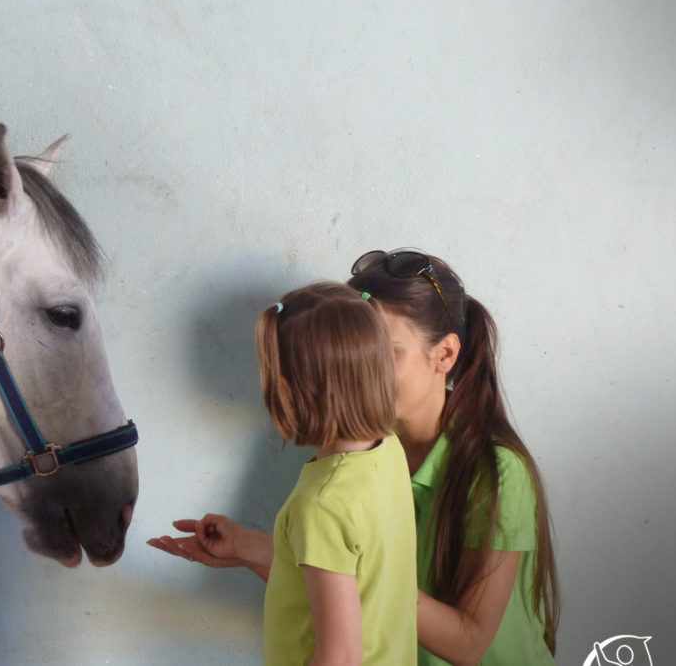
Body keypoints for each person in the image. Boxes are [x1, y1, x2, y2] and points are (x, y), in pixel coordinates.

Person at [148, 250, 560, 665]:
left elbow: (467, 643)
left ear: (445, 355)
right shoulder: (370, 448)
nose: (365, 369)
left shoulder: (497, 472)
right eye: (364, 349)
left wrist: (372, 581)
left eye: (387, 351)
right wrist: (247, 547)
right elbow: (343, 574)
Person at [219, 281, 417, 665]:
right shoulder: (386, 450)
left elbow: (340, 659)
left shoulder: (321, 505)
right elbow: (345, 563)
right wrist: (242, 544)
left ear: (291, 392)